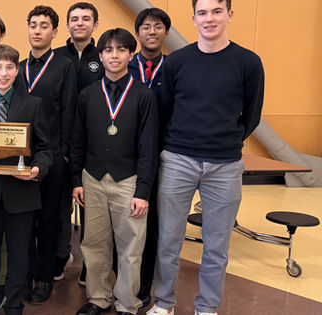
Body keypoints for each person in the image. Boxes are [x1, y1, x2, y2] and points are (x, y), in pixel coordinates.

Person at [147, 1, 264, 315]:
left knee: (216, 245)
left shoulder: (248, 62)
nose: (209, 18)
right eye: (202, 12)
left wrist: (226, 142)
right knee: (169, 241)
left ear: (229, 14)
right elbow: (165, 108)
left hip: (225, 165)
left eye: (216, 11)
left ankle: (207, 307)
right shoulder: (176, 62)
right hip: (178, 161)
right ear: (194, 18)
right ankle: (164, 303)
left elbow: (252, 115)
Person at [71, 28, 158, 315]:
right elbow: (77, 141)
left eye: (121, 50)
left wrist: (143, 191)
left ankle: (127, 303)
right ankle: (98, 298)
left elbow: (148, 147)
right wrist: (76, 181)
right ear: (101, 55)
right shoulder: (87, 95)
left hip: (129, 180)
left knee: (130, 247)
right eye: (108, 50)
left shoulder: (144, 96)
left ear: (130, 54)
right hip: (92, 178)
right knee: (94, 243)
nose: (114, 55)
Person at [0, 44, 54, 315]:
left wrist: (37, 169)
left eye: (9, 67)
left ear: (17, 70)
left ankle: (14, 304)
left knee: (19, 255)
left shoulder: (33, 104)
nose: (3, 73)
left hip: (21, 193)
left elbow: (46, 147)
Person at [21, 5, 77, 304]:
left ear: (55, 32)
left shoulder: (64, 66)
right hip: (23, 158)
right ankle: (27, 273)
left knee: (50, 220)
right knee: (26, 220)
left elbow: (69, 111)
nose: (37, 30)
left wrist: (64, 155)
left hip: (53, 158)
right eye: (33, 25)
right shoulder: (17, 67)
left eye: (44, 25)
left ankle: (44, 278)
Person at [51, 1, 105, 284]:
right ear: (68, 25)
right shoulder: (56, 57)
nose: (80, 23)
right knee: (60, 205)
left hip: (94, 143)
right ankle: (60, 257)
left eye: (86, 19)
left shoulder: (104, 55)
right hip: (61, 143)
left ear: (95, 24)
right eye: (75, 19)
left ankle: (89, 265)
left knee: (90, 210)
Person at [127, 7, 171, 307]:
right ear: (138, 33)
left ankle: (144, 286)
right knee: (128, 220)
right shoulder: (125, 67)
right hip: (128, 156)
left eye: (157, 26)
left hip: (167, 155)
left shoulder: (176, 67)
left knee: (154, 222)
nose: (151, 31)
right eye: (145, 27)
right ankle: (124, 282)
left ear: (166, 32)